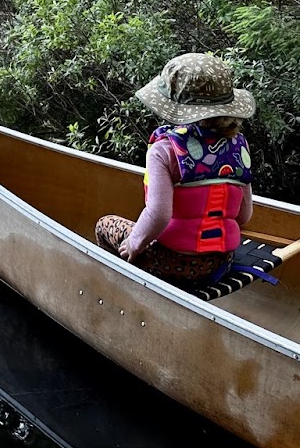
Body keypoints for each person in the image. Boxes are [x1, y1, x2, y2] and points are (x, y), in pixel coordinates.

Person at [95, 52, 256, 289]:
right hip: (221, 262)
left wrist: (134, 244)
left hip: (171, 263)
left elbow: (159, 214)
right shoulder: (238, 146)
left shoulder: (164, 150)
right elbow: (244, 216)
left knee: (104, 224)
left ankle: (119, 288)